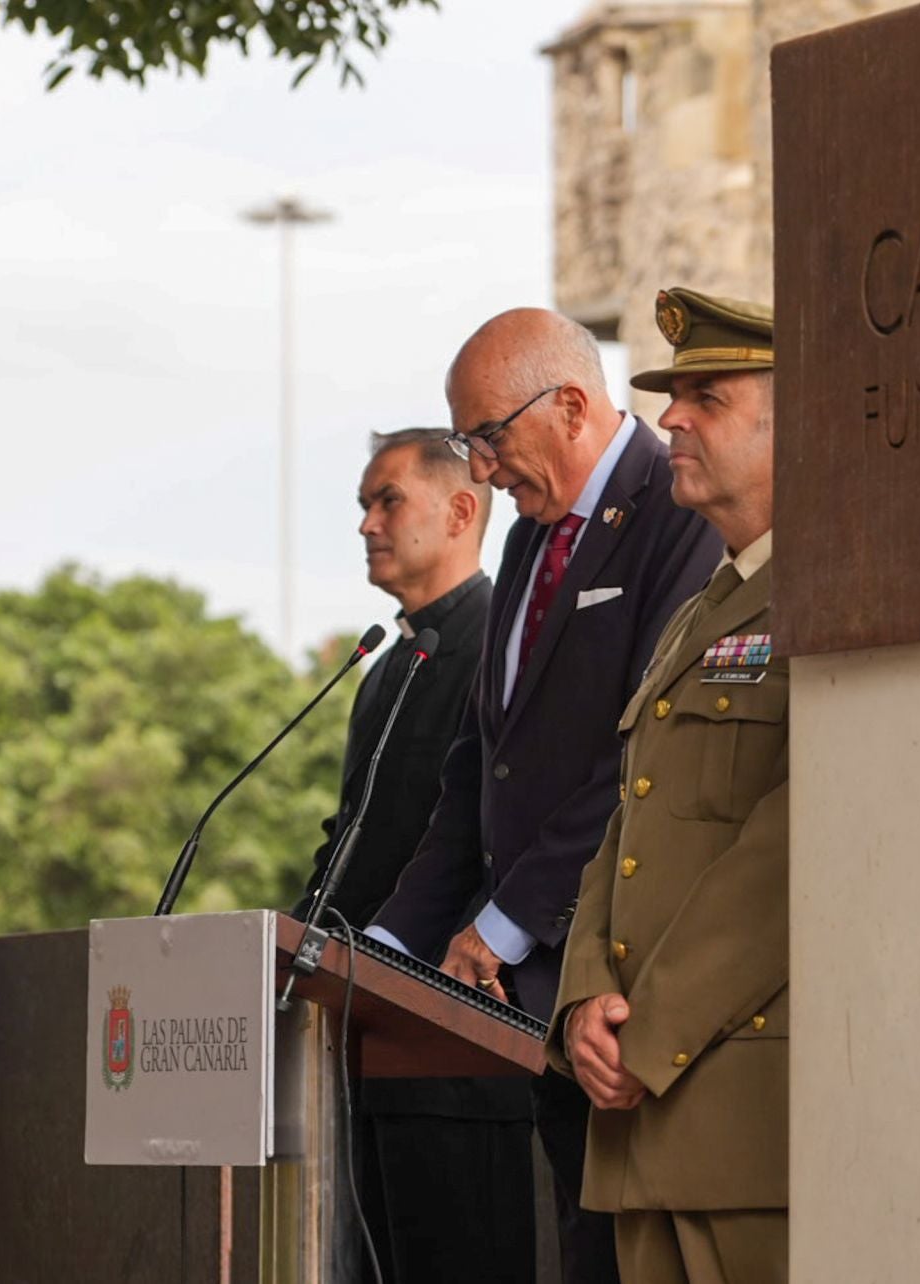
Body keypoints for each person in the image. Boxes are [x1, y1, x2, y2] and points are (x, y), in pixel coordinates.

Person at [370, 309, 721, 1282]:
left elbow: (638, 757)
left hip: (619, 983)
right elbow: (484, 767)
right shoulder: (531, 538)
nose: (480, 470)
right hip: (529, 1004)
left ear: (570, 404)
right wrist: (393, 948)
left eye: (488, 437)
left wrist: (504, 922)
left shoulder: (678, 512)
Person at [547, 288, 789, 1284]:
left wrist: (651, 1033)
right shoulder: (701, 614)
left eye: (708, 398)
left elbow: (794, 849)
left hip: (737, 1120)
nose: (671, 420)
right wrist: (584, 997)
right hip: (639, 1125)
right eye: (673, 397)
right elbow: (627, 823)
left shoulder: (835, 596)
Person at [290, 427, 535, 1284]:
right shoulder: (385, 667)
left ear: (463, 508)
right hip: (364, 1038)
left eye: (386, 500)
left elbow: (502, 830)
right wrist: (285, 940)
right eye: (362, 504)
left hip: (458, 1039)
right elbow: (355, 832)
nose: (366, 523)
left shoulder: (508, 643)